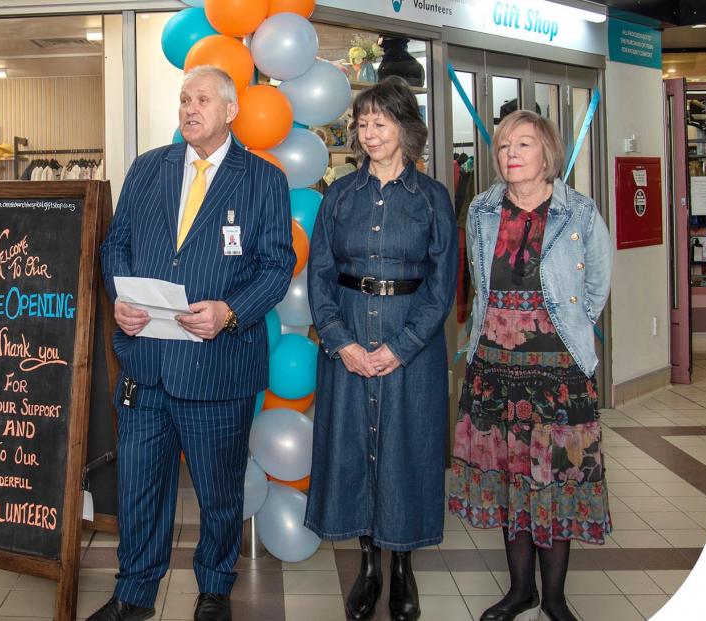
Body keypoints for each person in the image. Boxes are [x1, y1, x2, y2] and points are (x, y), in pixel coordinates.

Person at [92, 66, 294, 621]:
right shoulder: (148, 168)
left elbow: (278, 267)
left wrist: (231, 310)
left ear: (230, 111)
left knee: (219, 493)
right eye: (184, 99)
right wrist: (119, 297)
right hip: (145, 363)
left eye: (202, 99)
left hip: (216, 367)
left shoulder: (262, 180)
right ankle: (133, 595)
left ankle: (214, 591)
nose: (189, 108)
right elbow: (117, 247)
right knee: (139, 493)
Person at [448, 110, 612, 621]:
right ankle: (521, 590)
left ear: (548, 153)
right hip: (494, 368)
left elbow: (597, 285)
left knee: (556, 485)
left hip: (558, 374)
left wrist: (564, 331)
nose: (511, 154)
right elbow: (478, 280)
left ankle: (556, 597)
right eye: (502, 146)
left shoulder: (579, 212)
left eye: (523, 144)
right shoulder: (480, 210)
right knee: (509, 483)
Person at [305, 76, 458, 621]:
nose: (369, 133)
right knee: (353, 451)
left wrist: (402, 347)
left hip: (409, 343)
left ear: (405, 129)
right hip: (348, 334)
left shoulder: (433, 198)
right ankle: (368, 566)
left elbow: (443, 287)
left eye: (381, 122)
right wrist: (340, 341)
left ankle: (403, 568)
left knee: (406, 452)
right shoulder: (338, 195)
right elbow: (319, 276)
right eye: (362, 123)